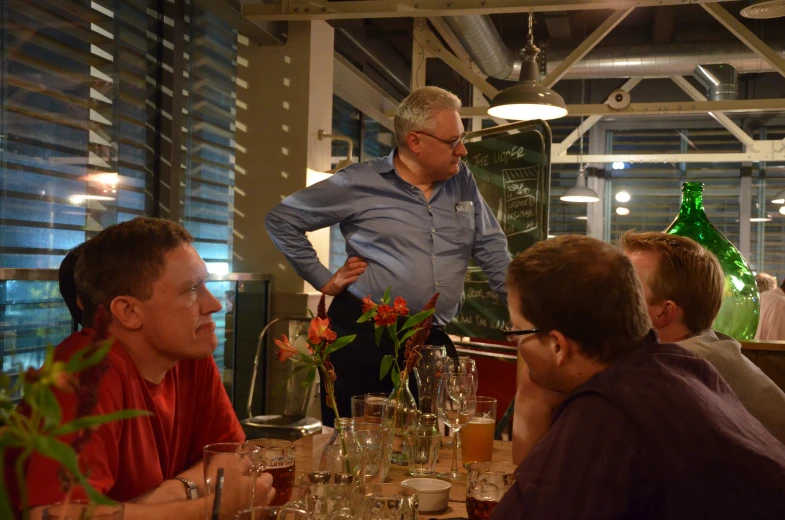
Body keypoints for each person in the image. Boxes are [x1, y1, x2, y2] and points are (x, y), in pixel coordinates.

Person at [265, 86, 510, 425]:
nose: (463, 151)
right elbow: (282, 219)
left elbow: (492, 249)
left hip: (430, 338)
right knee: (358, 446)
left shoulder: (461, 181)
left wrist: (522, 313)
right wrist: (323, 279)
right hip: (364, 340)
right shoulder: (358, 182)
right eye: (452, 142)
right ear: (415, 142)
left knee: (433, 445)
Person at [494, 235, 785, 520]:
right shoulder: (684, 366)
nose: (515, 343)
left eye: (518, 330)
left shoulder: (609, 409)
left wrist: (532, 399)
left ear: (558, 345)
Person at [14, 217, 274, 520]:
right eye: (191, 289)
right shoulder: (86, 373)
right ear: (129, 312)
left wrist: (173, 491)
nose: (215, 304)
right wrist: (207, 509)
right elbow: (54, 516)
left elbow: (232, 459)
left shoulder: (190, 355)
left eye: (205, 285)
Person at [620, 231, 785, 443]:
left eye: (628, 289)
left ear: (664, 311)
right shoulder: (712, 347)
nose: (614, 298)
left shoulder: (678, 368)